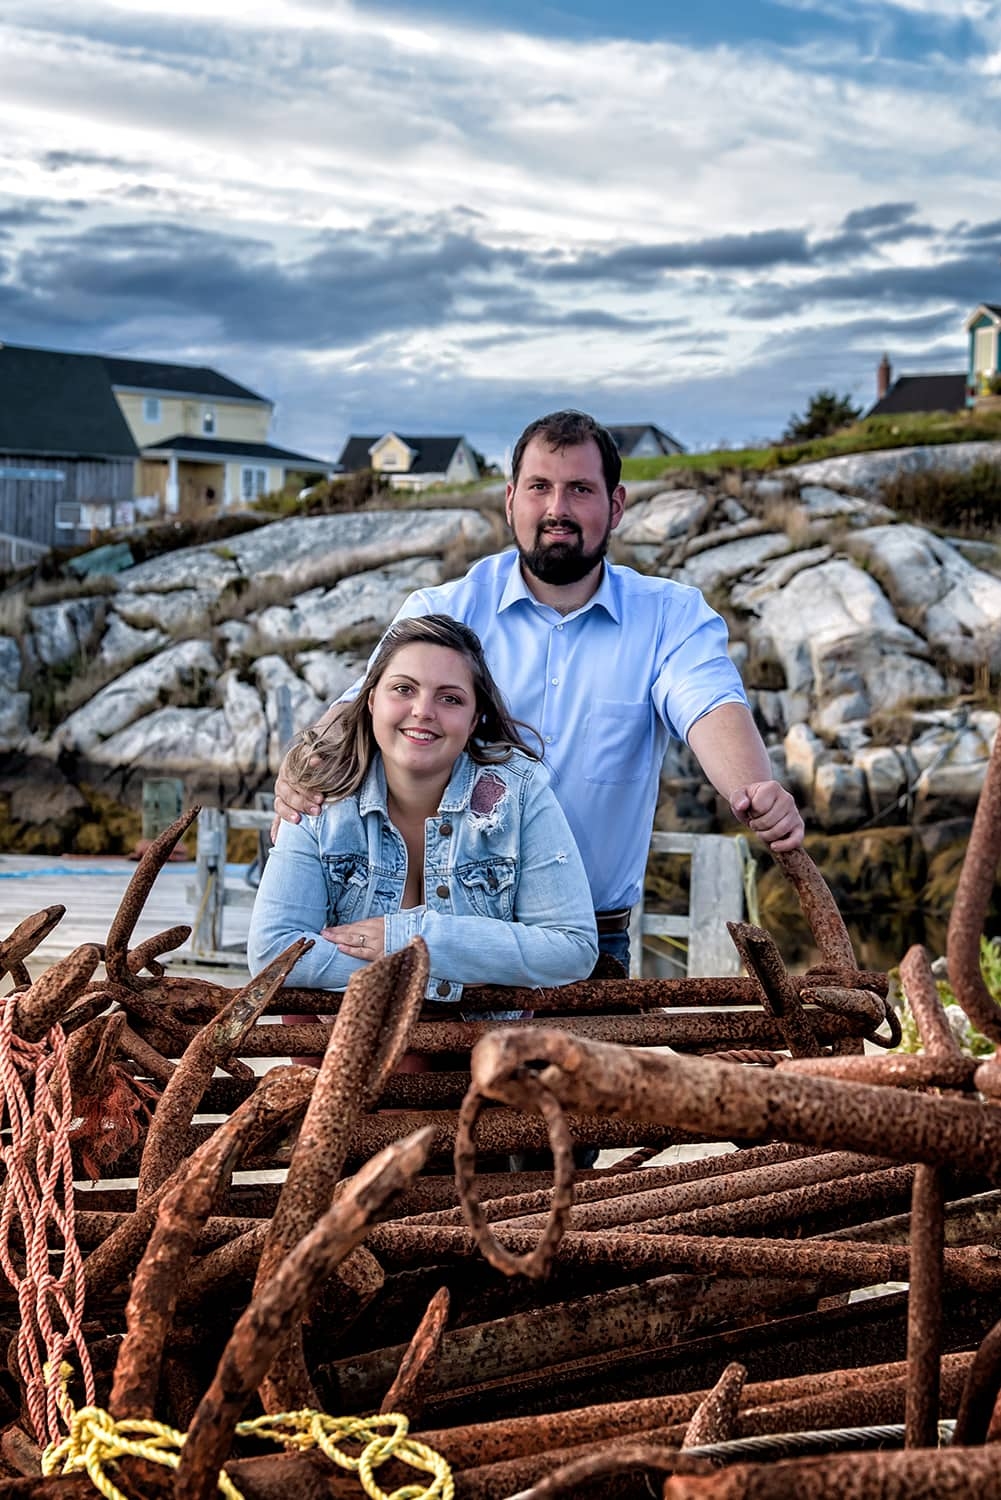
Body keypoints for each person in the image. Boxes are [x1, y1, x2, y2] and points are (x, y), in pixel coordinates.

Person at [273, 410, 804, 971]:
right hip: (443, 940)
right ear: (510, 501)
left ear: (616, 505)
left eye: (580, 489)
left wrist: (754, 790)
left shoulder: (670, 618)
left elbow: (709, 702)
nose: (558, 509)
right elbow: (364, 708)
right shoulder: (443, 611)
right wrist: (306, 762)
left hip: (589, 946)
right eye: (540, 488)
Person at [248, 614, 598, 1000]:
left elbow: (571, 948)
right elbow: (274, 952)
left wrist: (414, 942)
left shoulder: (519, 793)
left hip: (485, 1046)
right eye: (403, 689)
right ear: (370, 701)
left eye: (450, 698)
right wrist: (467, 966)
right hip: (336, 1046)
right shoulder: (319, 793)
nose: (423, 711)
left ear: (474, 718)